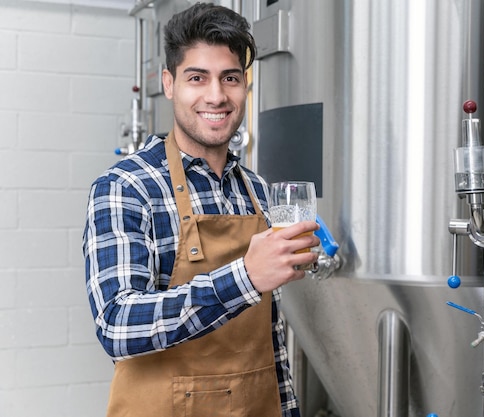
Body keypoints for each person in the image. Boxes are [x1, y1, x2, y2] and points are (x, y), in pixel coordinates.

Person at [82, 3, 319, 417]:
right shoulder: (126, 187)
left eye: (230, 78)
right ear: (169, 83)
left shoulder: (259, 190)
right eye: (198, 78)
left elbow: (271, 340)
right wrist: (245, 276)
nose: (216, 95)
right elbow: (117, 325)